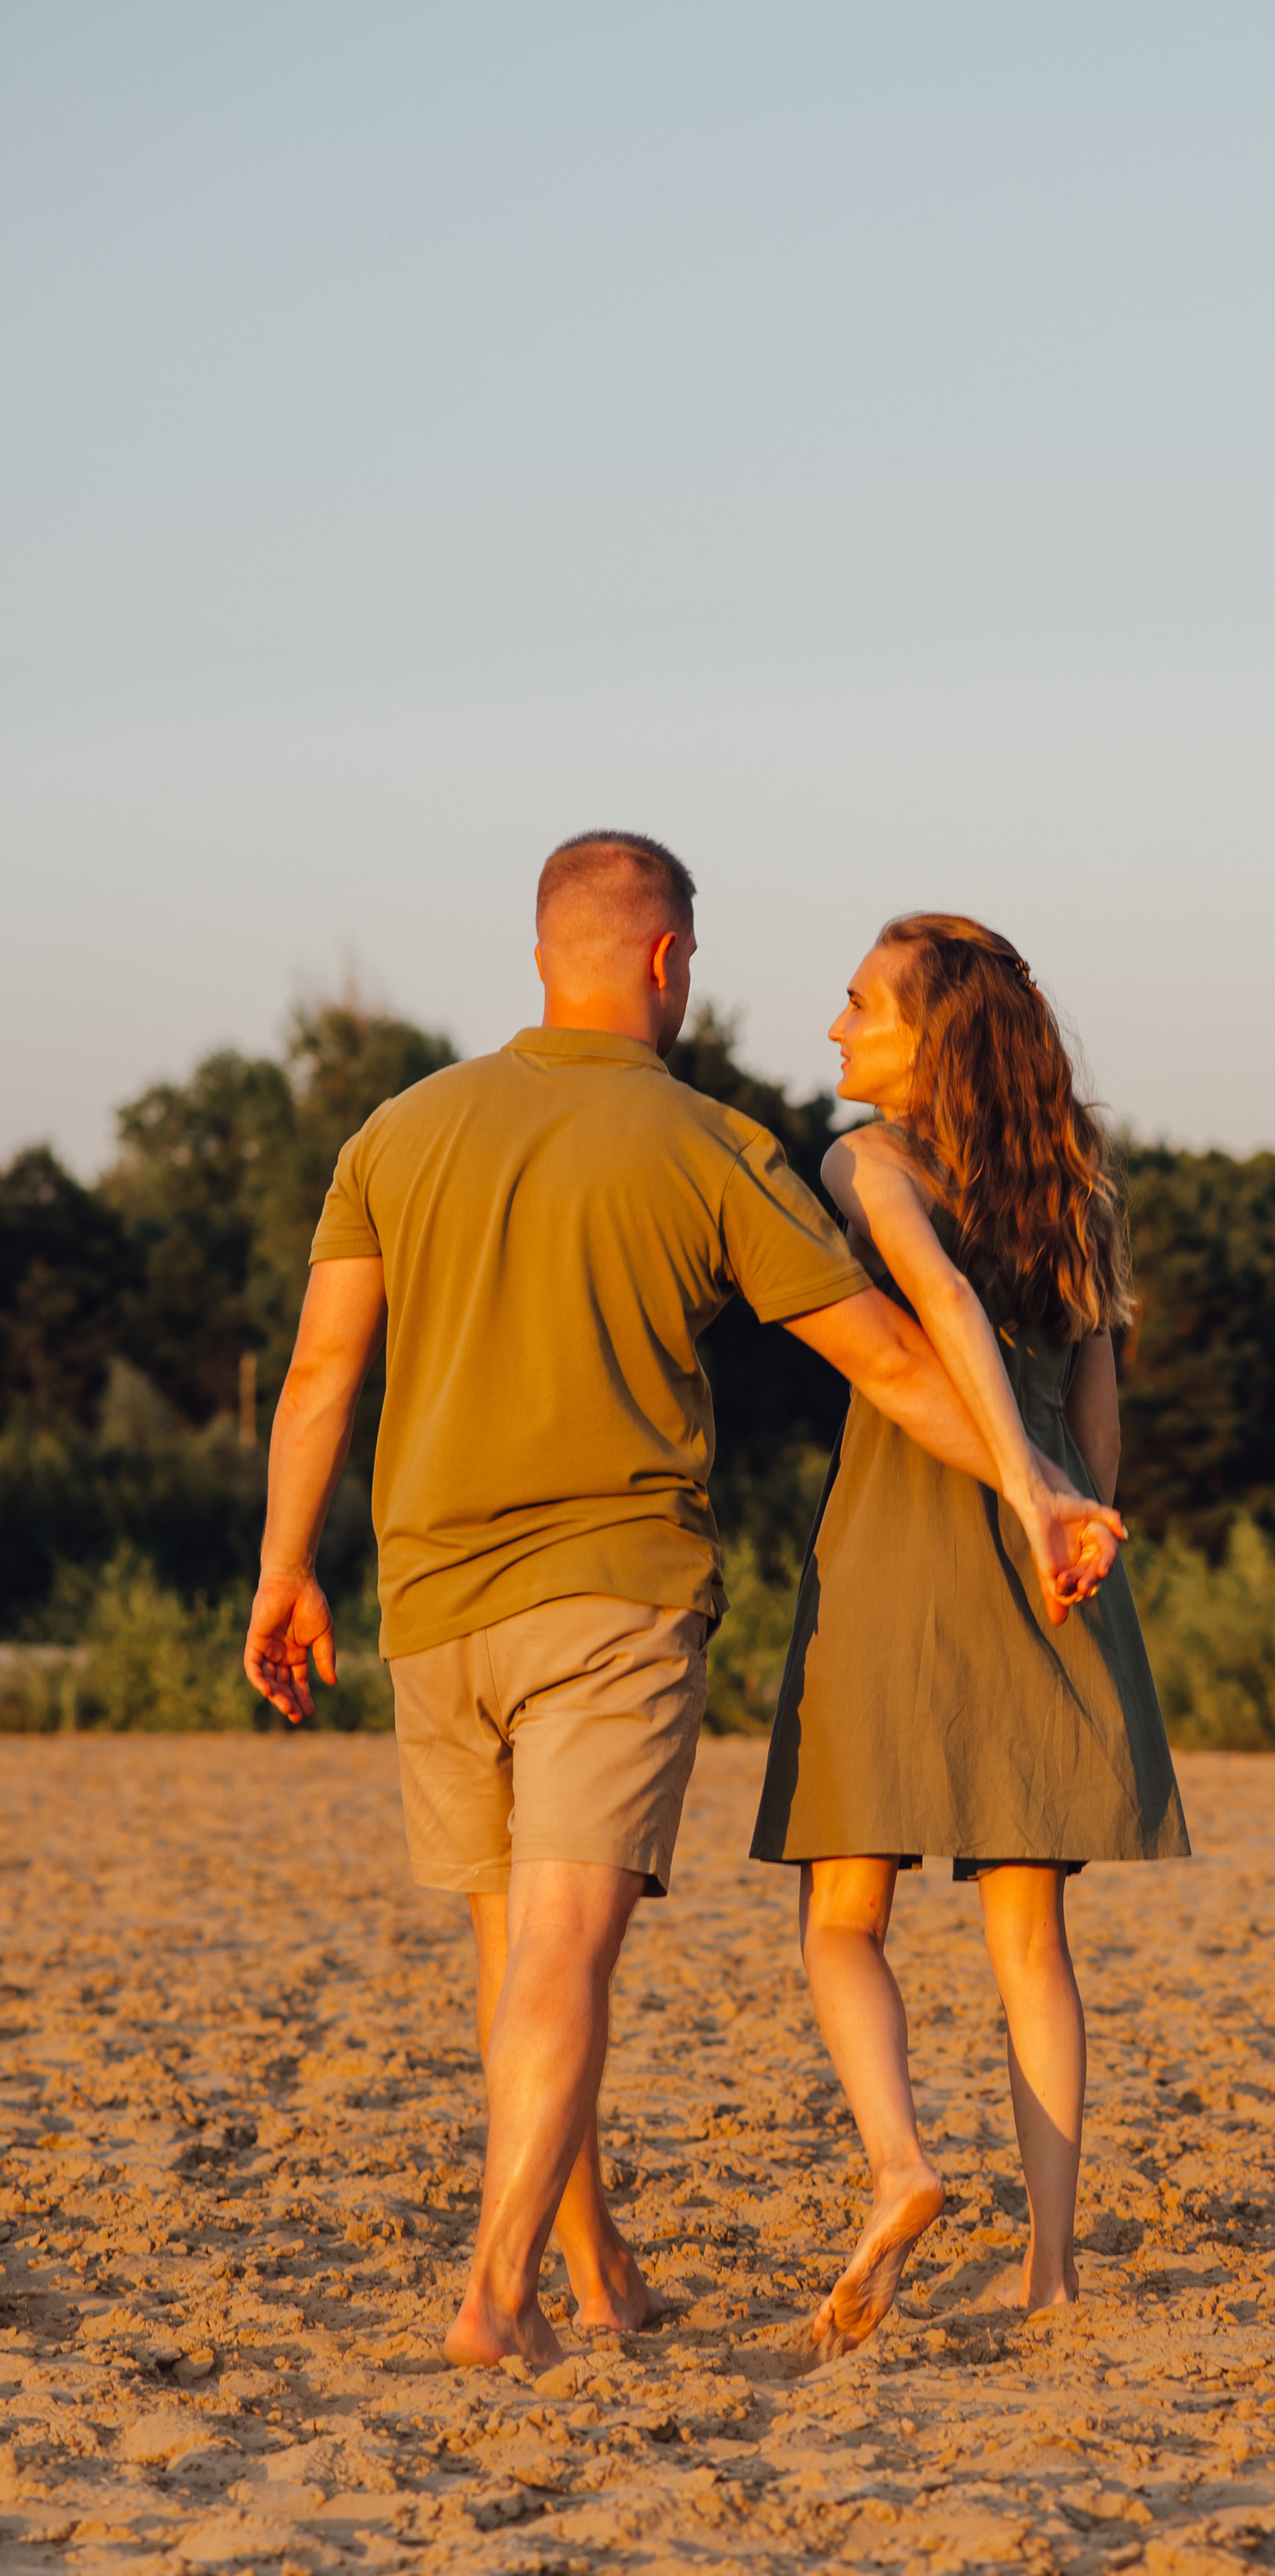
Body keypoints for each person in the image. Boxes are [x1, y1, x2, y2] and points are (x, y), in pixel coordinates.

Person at [242, 834, 1121, 2374]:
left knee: (516, 1958)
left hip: (432, 1605)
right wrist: (1035, 1483)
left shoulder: (398, 1130)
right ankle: (497, 2292)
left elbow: (321, 1368)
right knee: (567, 1958)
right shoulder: (714, 1147)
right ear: (667, 960)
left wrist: (282, 1566)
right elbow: (898, 1361)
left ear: (541, 952)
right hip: (613, 1598)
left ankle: (597, 2276)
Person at [751, 913, 1189, 2356]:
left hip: (903, 1543)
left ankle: (903, 2160)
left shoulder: (864, 1161)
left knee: (842, 1915)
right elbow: (1106, 1417)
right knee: (1030, 1934)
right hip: (1055, 1566)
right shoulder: (1078, 1198)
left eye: (859, 1003)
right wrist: (1073, 1523)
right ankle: (1052, 2266)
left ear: (930, 1036)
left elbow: (935, 1310)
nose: (833, 1029)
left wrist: (1020, 1490)